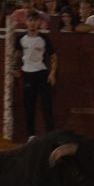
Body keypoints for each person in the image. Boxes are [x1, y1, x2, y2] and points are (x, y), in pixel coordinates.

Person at [13, 11, 58, 140]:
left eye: (35, 20)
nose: (32, 23)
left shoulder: (44, 39)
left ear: (39, 22)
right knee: (29, 106)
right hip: (27, 74)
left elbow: (54, 57)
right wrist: (15, 68)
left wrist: (52, 74)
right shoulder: (21, 38)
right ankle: (31, 135)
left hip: (42, 74)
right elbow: (17, 55)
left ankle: (51, 136)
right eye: (30, 20)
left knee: (47, 106)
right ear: (26, 22)